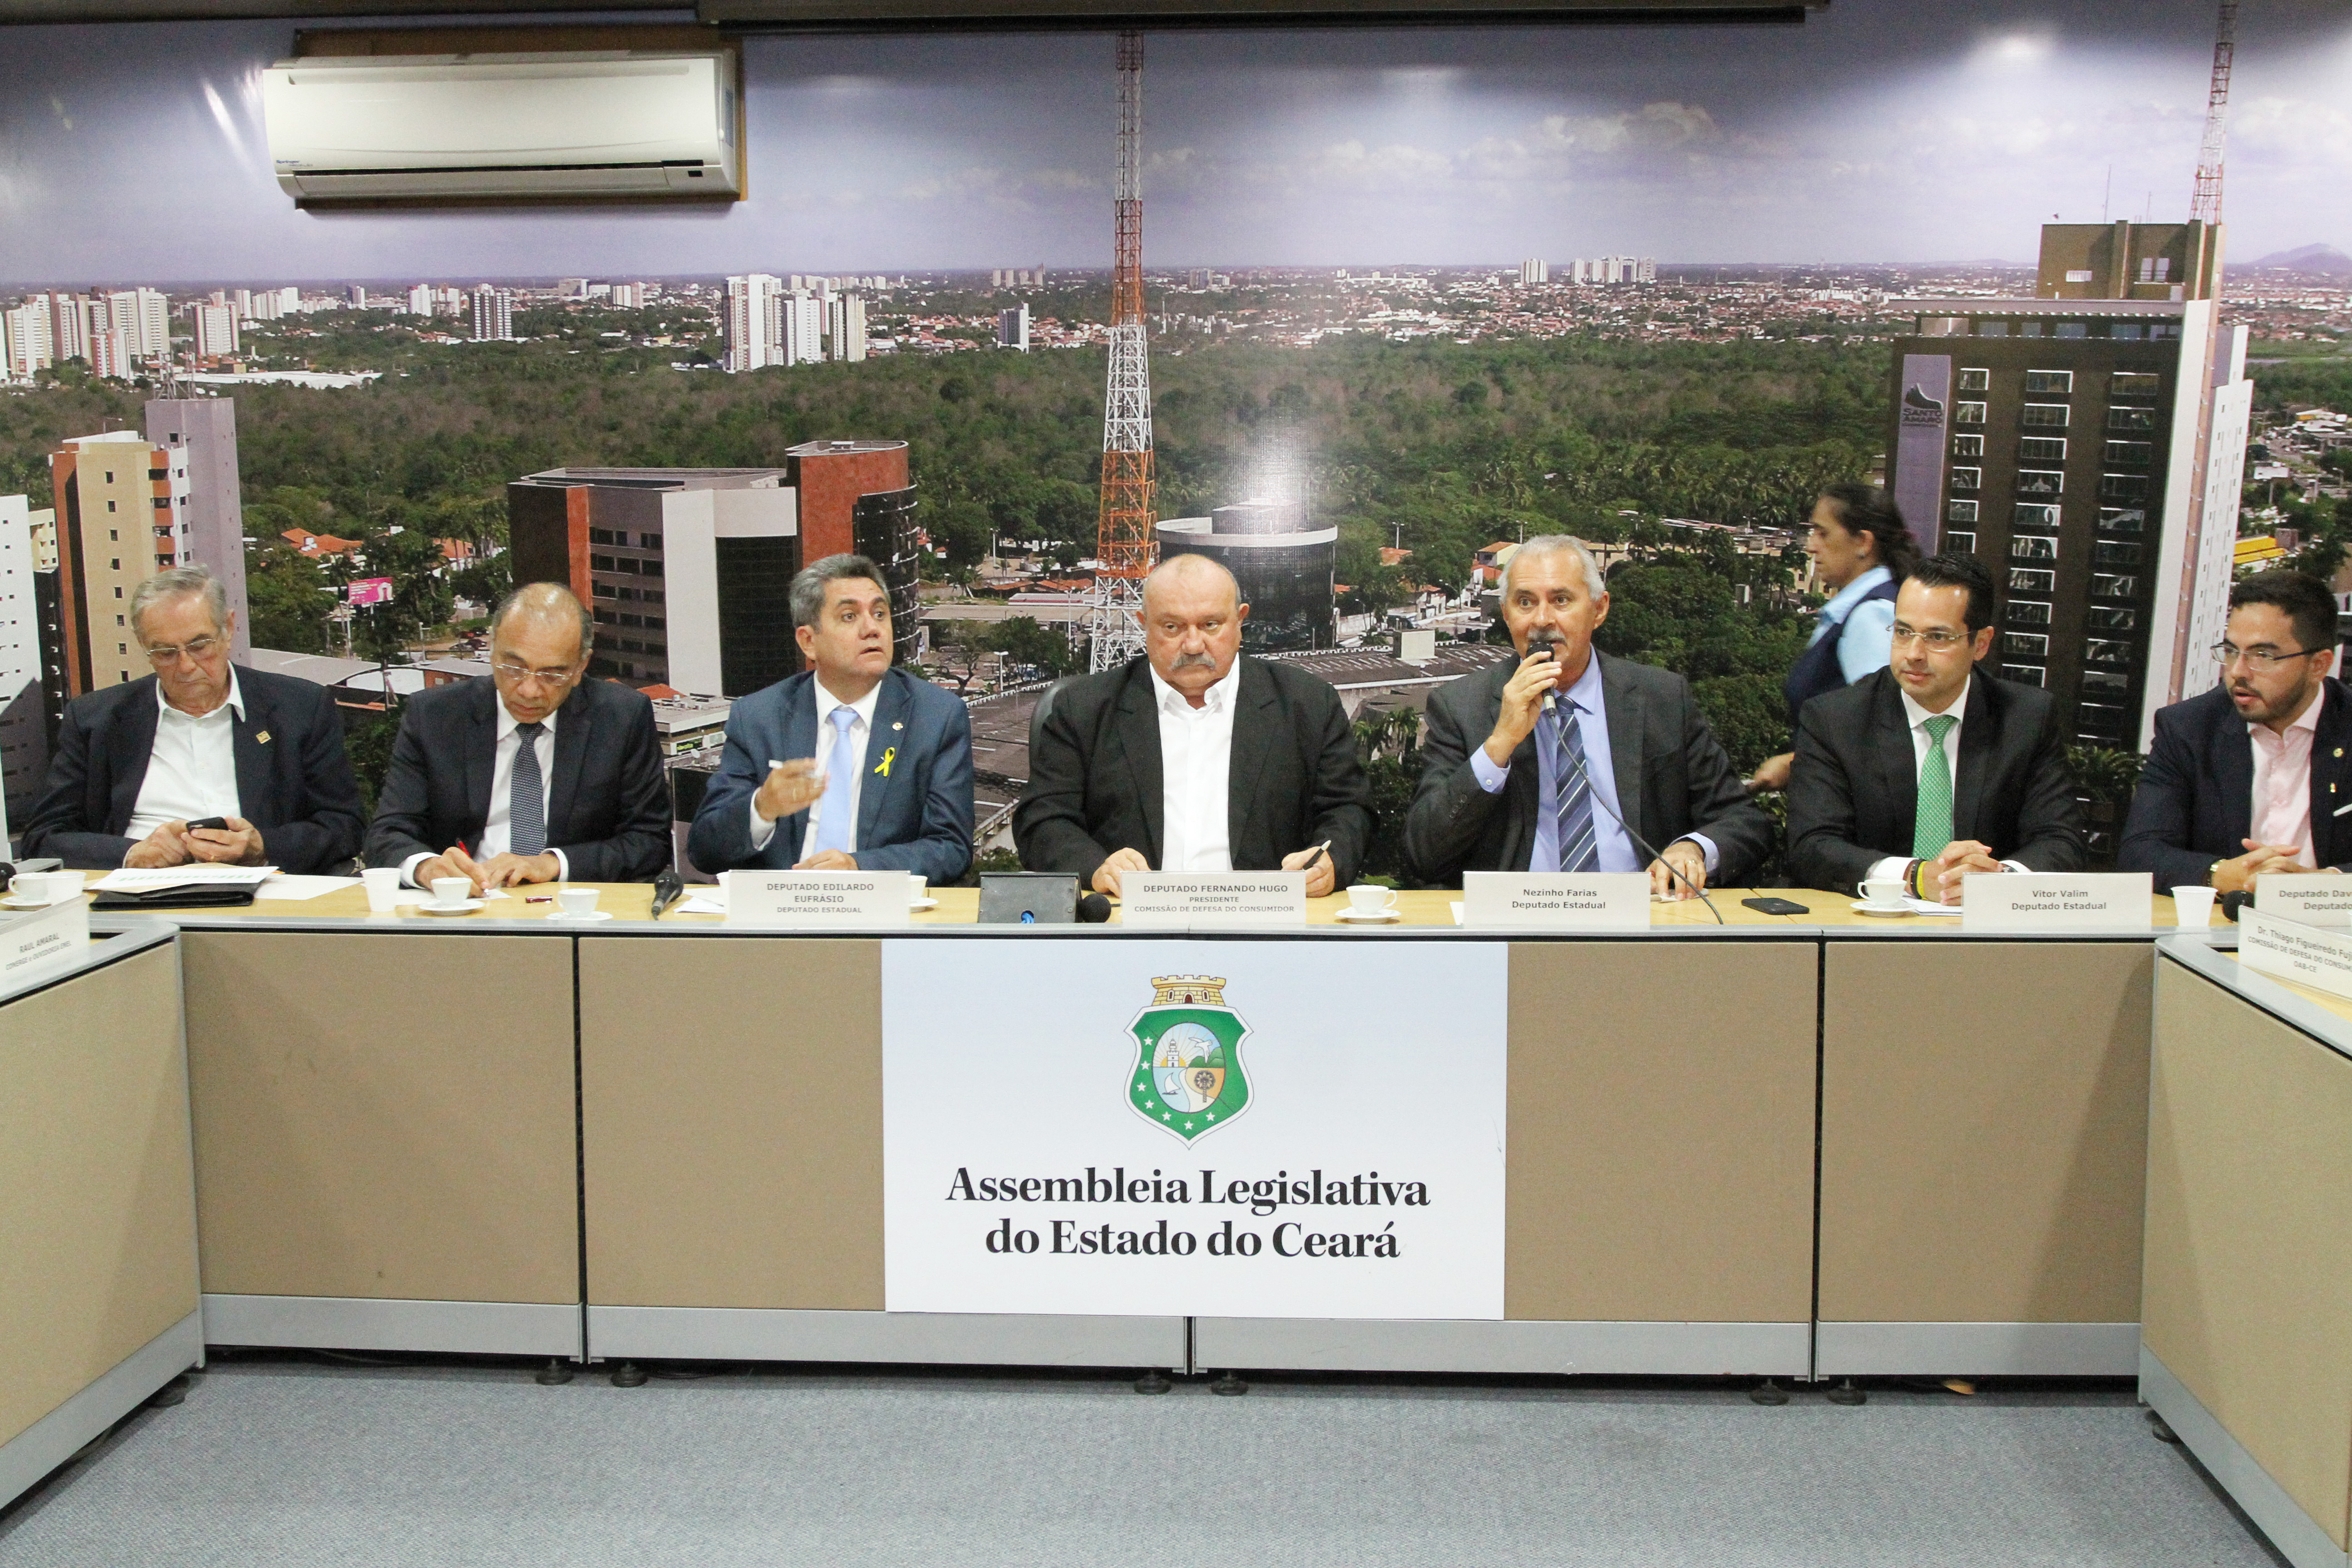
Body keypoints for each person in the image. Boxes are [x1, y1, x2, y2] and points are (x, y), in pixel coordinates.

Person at [1402, 534, 1772, 894]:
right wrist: (1499, 744)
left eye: (1561, 600)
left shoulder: (1662, 698)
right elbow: (1424, 855)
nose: (1542, 619)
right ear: (1506, 614)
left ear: (1599, 609)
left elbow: (1743, 820)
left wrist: (1694, 849)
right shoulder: (1460, 706)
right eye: (1525, 602)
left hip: (1639, 916)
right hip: (1515, 922)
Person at [1014, 553, 1372, 897]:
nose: (1193, 644)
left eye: (1210, 625)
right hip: (1129, 921)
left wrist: (1330, 862)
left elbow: (1348, 809)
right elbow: (1043, 819)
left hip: (1267, 921)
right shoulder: (1084, 709)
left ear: (1240, 621)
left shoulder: (1307, 705)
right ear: (1144, 625)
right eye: (1172, 627)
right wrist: (1096, 868)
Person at [21, 564, 363, 873]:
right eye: (166, 652)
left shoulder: (300, 708)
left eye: (200, 646)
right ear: (143, 646)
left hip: (262, 893)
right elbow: (44, 838)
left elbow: (345, 825)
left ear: (228, 629)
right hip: (138, 893)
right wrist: (132, 854)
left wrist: (262, 847)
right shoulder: (96, 719)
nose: (185, 666)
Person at [1786, 553, 2085, 902]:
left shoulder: (2026, 718)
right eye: (1903, 632)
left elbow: (2061, 841)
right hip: (1872, 922)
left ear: (1981, 644)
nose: (1913, 653)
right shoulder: (1836, 719)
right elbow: (1813, 846)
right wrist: (1914, 877)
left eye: (1937, 637)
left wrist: (1997, 880)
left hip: (1984, 925)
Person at [366, 583, 671, 891]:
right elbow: (387, 834)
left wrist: (552, 864)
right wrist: (427, 868)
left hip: (570, 901)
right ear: (492, 648)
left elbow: (649, 842)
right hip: (466, 902)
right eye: (514, 668)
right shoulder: (435, 716)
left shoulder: (621, 718)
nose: (529, 690)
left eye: (552, 675)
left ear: (581, 666)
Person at [689, 554, 974, 882]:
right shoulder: (758, 716)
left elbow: (951, 847)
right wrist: (762, 808)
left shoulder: (936, 717)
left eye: (879, 614)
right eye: (849, 616)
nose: (872, 629)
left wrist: (859, 869)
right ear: (809, 642)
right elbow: (704, 851)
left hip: (879, 904)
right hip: (781, 906)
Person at [2120, 569, 2352, 891]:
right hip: (2224, 919)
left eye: (2263, 656)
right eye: (2231, 652)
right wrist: (2221, 873)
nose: (2238, 672)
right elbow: (2140, 852)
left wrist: (2330, 884)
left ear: (2319, 665)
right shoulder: (2189, 728)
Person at [1748, 482, 1917, 794]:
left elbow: (1885, 733)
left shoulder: (1871, 615)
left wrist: (1794, 764)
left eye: (1823, 533)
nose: (1812, 546)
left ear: (1863, 542)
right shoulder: (1862, 608)